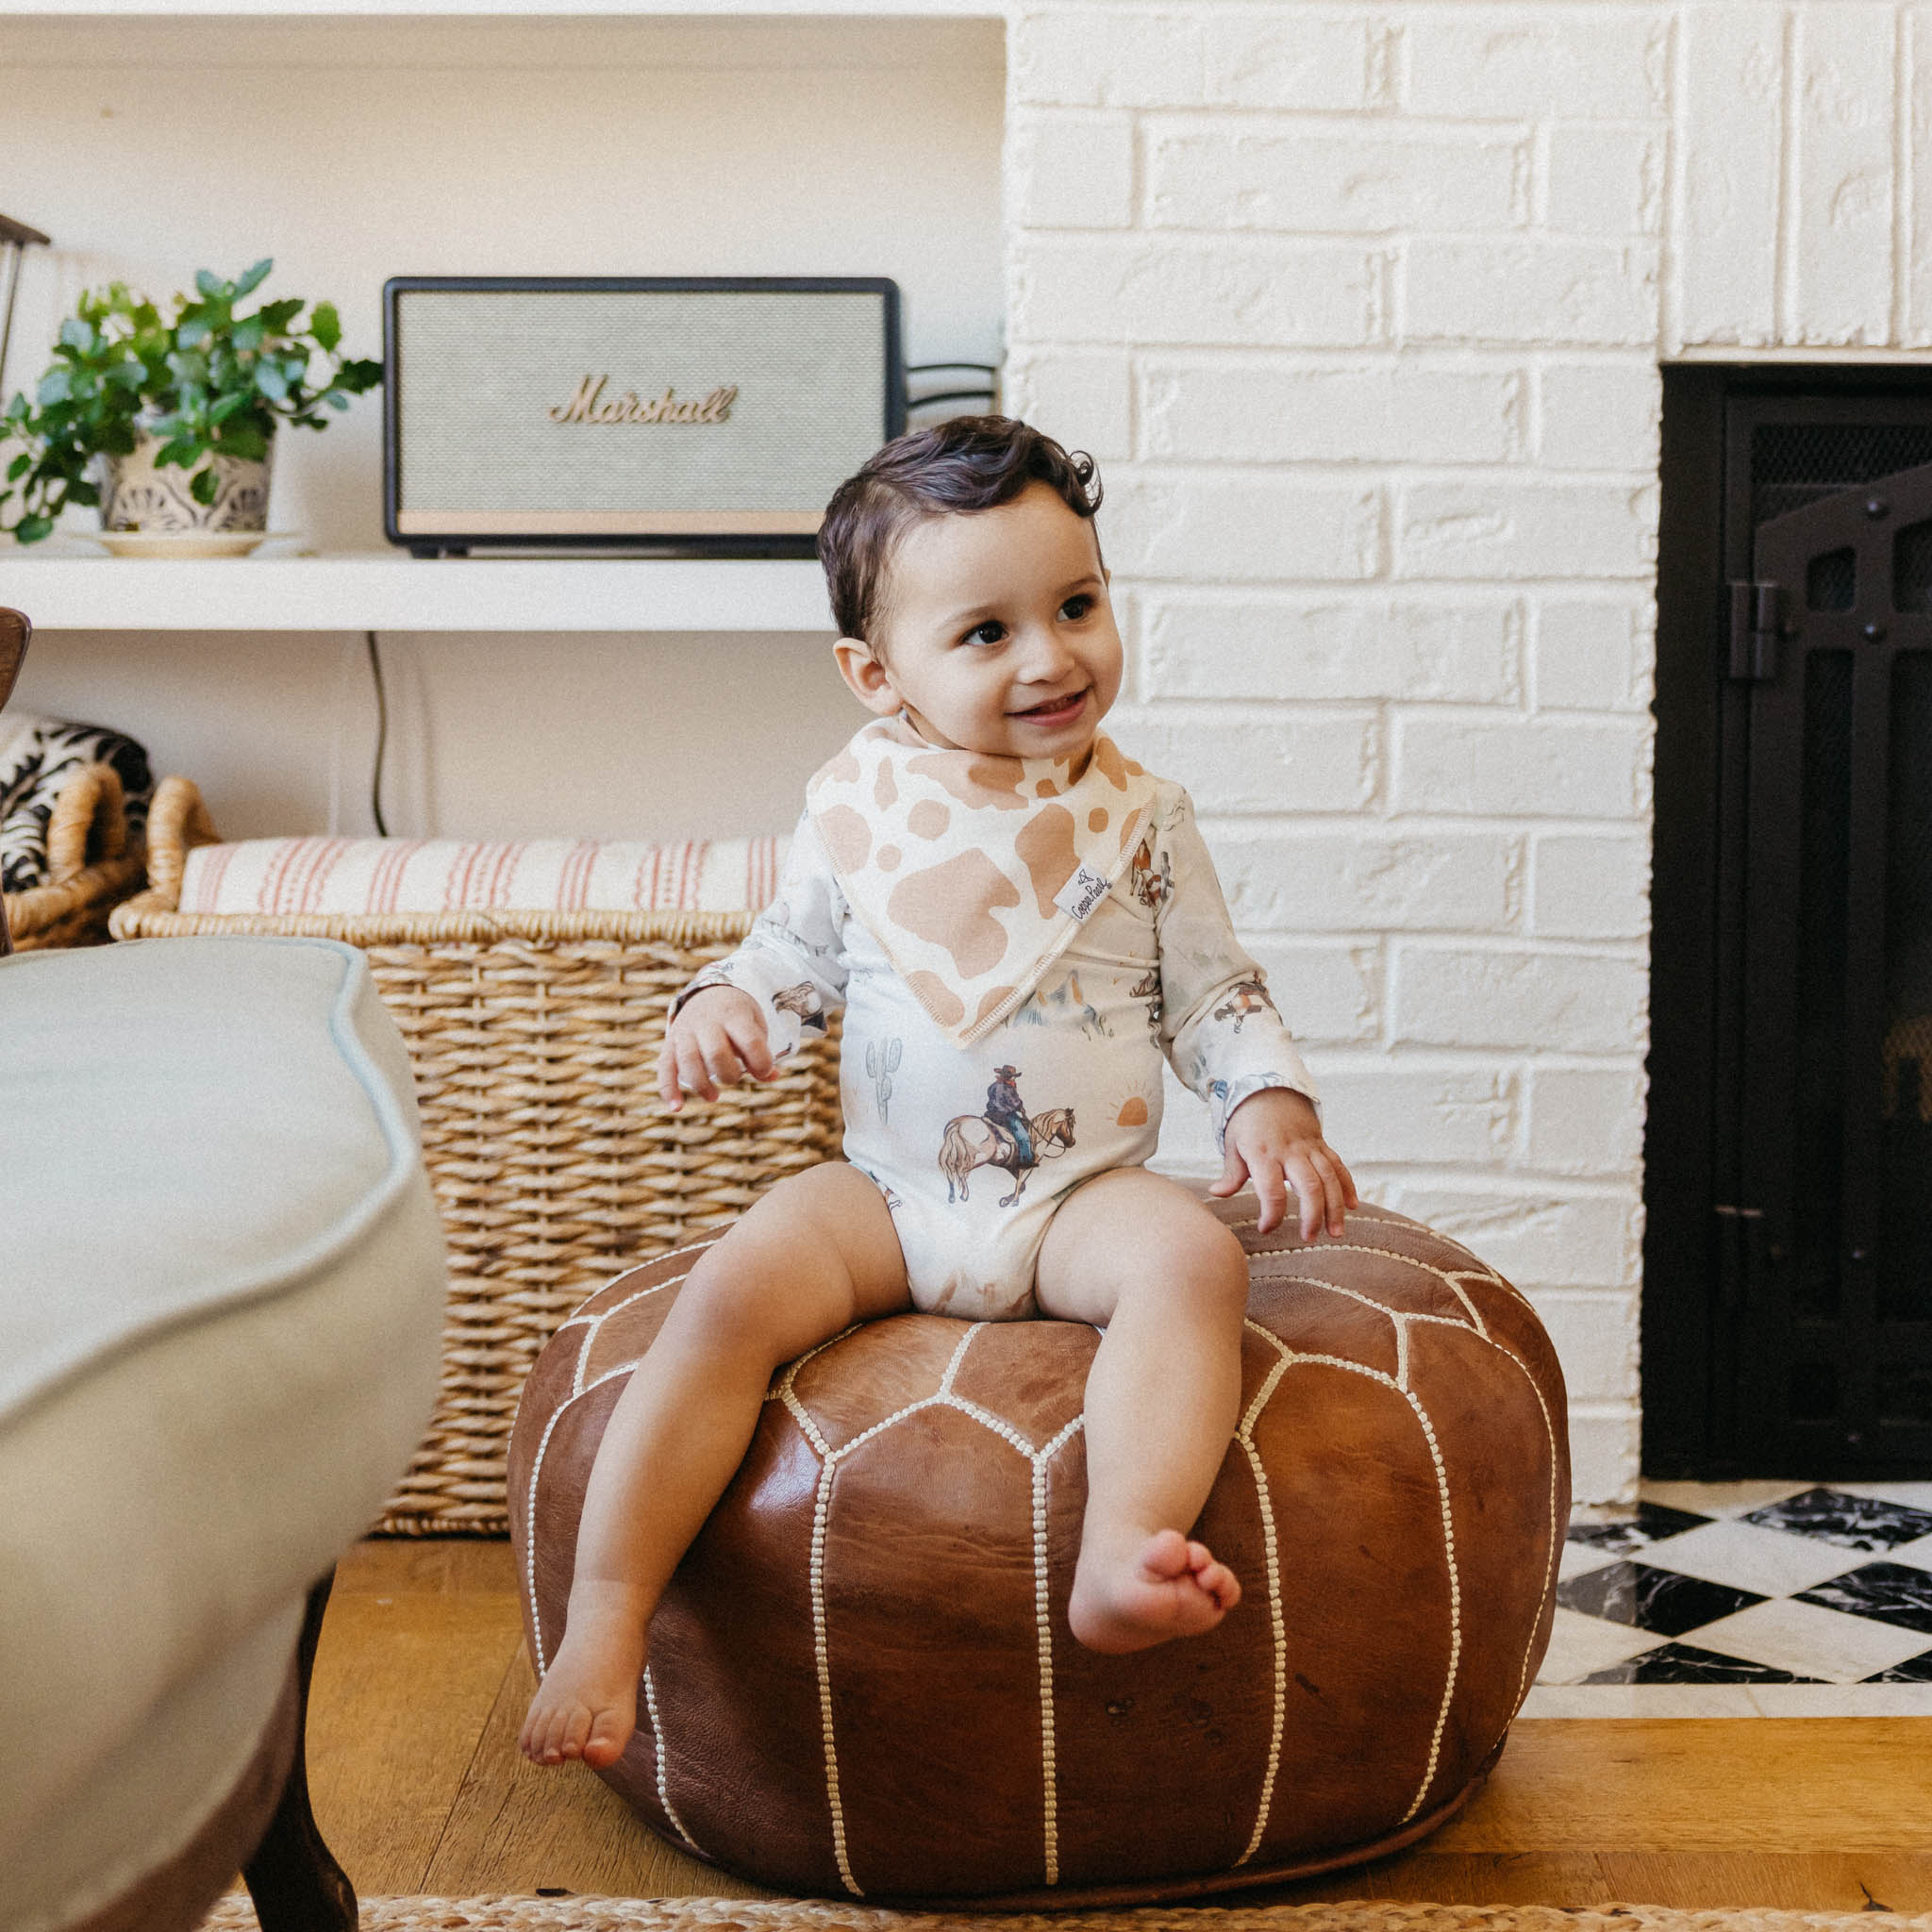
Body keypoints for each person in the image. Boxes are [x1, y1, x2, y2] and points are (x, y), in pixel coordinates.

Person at [520, 416, 1357, 1773]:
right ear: (873, 672)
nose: (1052, 655)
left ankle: (1119, 1560)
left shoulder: (1142, 818)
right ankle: (606, 1613)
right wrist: (725, 1007)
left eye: (1077, 605)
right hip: (893, 1195)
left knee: (1194, 1262)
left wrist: (1268, 1103)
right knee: (727, 1293)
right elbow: (788, 954)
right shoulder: (857, 809)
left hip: (1079, 1192)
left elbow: (1213, 992)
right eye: (986, 632)